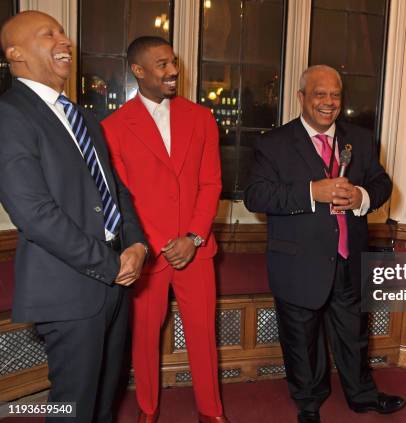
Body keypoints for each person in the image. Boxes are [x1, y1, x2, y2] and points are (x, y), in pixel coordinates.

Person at [0, 11, 148, 423]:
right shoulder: (9, 114)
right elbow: (34, 214)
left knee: (105, 399)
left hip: (114, 285)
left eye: (63, 32)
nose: (65, 40)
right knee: (73, 408)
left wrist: (136, 244)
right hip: (68, 290)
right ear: (16, 53)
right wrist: (111, 263)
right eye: (49, 34)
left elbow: (117, 190)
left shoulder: (82, 116)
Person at [244, 65, 406, 423]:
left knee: (355, 336)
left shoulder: (360, 139)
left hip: (349, 259)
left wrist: (361, 196)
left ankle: (363, 396)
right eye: (320, 94)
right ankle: (309, 403)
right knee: (302, 342)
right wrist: (310, 193)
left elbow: (381, 184)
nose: (329, 102)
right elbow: (255, 196)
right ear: (302, 97)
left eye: (335, 95)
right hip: (298, 263)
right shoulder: (273, 143)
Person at [101, 36, 228, 423]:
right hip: (147, 255)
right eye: (161, 64)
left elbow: (211, 185)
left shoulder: (202, 118)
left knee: (203, 336)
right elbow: (120, 199)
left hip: (196, 249)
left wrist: (192, 238)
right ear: (138, 71)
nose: (173, 71)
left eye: (173, 62)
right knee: (143, 339)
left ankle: (211, 411)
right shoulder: (113, 127)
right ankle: (148, 409)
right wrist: (152, 244)